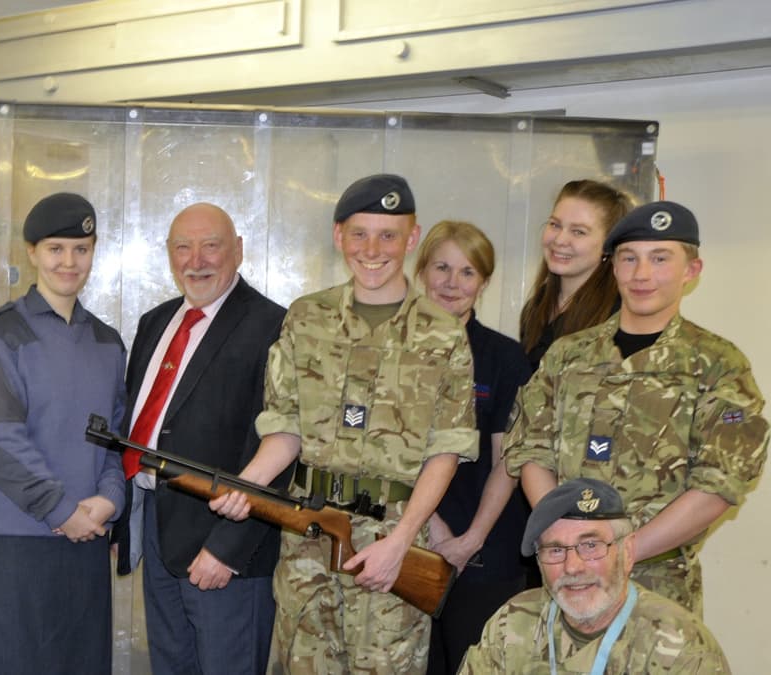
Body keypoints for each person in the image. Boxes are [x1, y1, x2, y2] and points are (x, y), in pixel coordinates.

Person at [211, 174, 478, 674]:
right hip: (308, 536)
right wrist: (246, 485)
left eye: (388, 235)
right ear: (339, 237)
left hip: (391, 540)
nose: (372, 250)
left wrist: (401, 543)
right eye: (359, 234)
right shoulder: (306, 317)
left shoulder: (442, 334)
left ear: (412, 238)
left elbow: (446, 451)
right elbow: (287, 427)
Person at [504, 201, 769, 614]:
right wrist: (570, 543)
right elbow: (530, 451)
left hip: (657, 590)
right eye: (629, 259)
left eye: (660, 259)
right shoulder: (567, 355)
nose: (641, 274)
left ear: (691, 271)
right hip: (565, 583)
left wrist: (619, 554)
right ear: (613, 268)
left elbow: (719, 484)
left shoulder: (719, 365)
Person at [0, 192, 126, 675]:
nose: (69, 262)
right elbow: (1, 443)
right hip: (15, 543)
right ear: (31, 253)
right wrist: (62, 510)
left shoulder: (107, 341)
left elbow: (115, 440)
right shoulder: (2, 334)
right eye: (55, 249)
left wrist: (111, 499)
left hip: (85, 539)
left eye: (81, 249)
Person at [116, 203, 287, 675]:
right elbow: (142, 428)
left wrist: (228, 549)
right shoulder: (156, 322)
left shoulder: (274, 326)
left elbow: (284, 447)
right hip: (157, 530)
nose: (197, 260)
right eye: (182, 247)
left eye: (211, 245)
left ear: (238, 251)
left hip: (225, 542)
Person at [414, 221, 532, 674]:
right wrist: (432, 527)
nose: (451, 282)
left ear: (483, 281)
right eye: (441, 267)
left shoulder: (505, 358)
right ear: (422, 271)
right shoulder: (398, 351)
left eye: (467, 272)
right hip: (412, 541)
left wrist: (470, 541)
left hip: (484, 550)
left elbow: (510, 459)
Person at [459, 477, 731, 673]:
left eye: (591, 546)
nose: (573, 567)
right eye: (555, 550)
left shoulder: (681, 646)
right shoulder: (513, 624)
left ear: (627, 551)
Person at [518, 179, 633, 369]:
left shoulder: (620, 318)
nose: (560, 240)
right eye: (555, 225)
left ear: (608, 245)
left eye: (578, 232)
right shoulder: (535, 308)